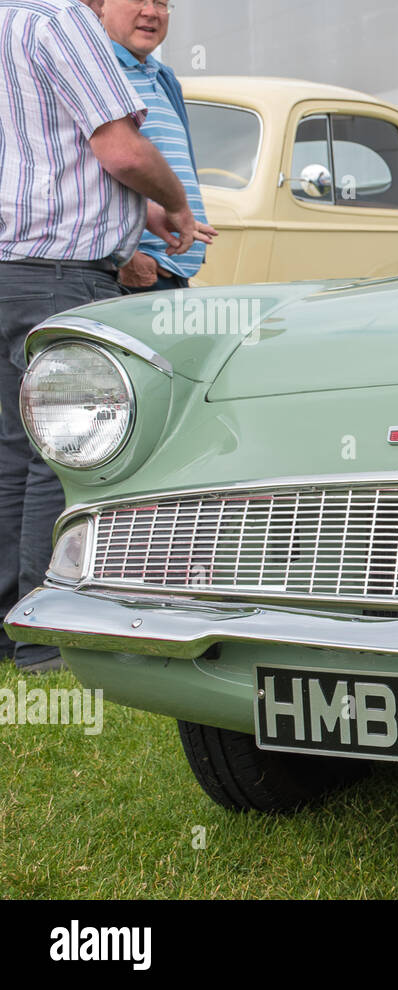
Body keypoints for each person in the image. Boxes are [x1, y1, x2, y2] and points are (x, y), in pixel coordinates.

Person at [0, 0, 205, 674]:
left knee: (13, 452)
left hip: (13, 268)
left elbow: (45, 160)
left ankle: (12, 628)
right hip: (62, 276)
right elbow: (120, 149)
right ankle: (46, 640)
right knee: (64, 457)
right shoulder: (63, 23)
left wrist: (134, 208)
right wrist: (172, 200)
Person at [102, 0, 213, 292]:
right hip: (129, 274)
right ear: (102, 5)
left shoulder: (164, 78)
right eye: (138, 0)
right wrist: (124, 260)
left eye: (161, 3)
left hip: (171, 271)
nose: (151, 12)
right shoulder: (98, 72)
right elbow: (82, 172)